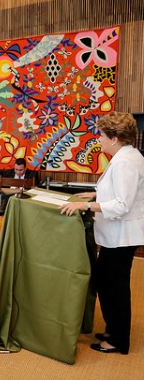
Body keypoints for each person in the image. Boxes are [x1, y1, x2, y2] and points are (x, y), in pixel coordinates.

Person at [60, 111, 144, 355]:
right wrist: (96, 195)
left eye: (101, 135)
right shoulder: (127, 156)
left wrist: (83, 205)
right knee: (105, 283)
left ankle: (118, 340)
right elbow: (123, 193)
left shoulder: (125, 162)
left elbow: (122, 204)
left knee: (114, 288)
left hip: (121, 237)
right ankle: (113, 330)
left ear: (115, 138)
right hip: (116, 237)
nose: (99, 139)